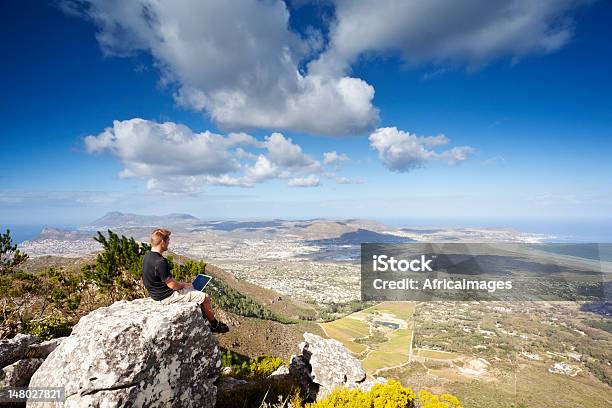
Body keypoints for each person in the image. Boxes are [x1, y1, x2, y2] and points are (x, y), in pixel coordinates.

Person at [142, 228, 229, 333]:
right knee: (205, 297)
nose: (169, 243)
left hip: (156, 294)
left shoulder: (147, 256)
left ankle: (203, 318)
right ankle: (215, 326)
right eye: (168, 240)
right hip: (166, 297)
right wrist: (183, 285)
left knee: (192, 288)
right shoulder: (160, 261)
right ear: (162, 242)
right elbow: (172, 285)